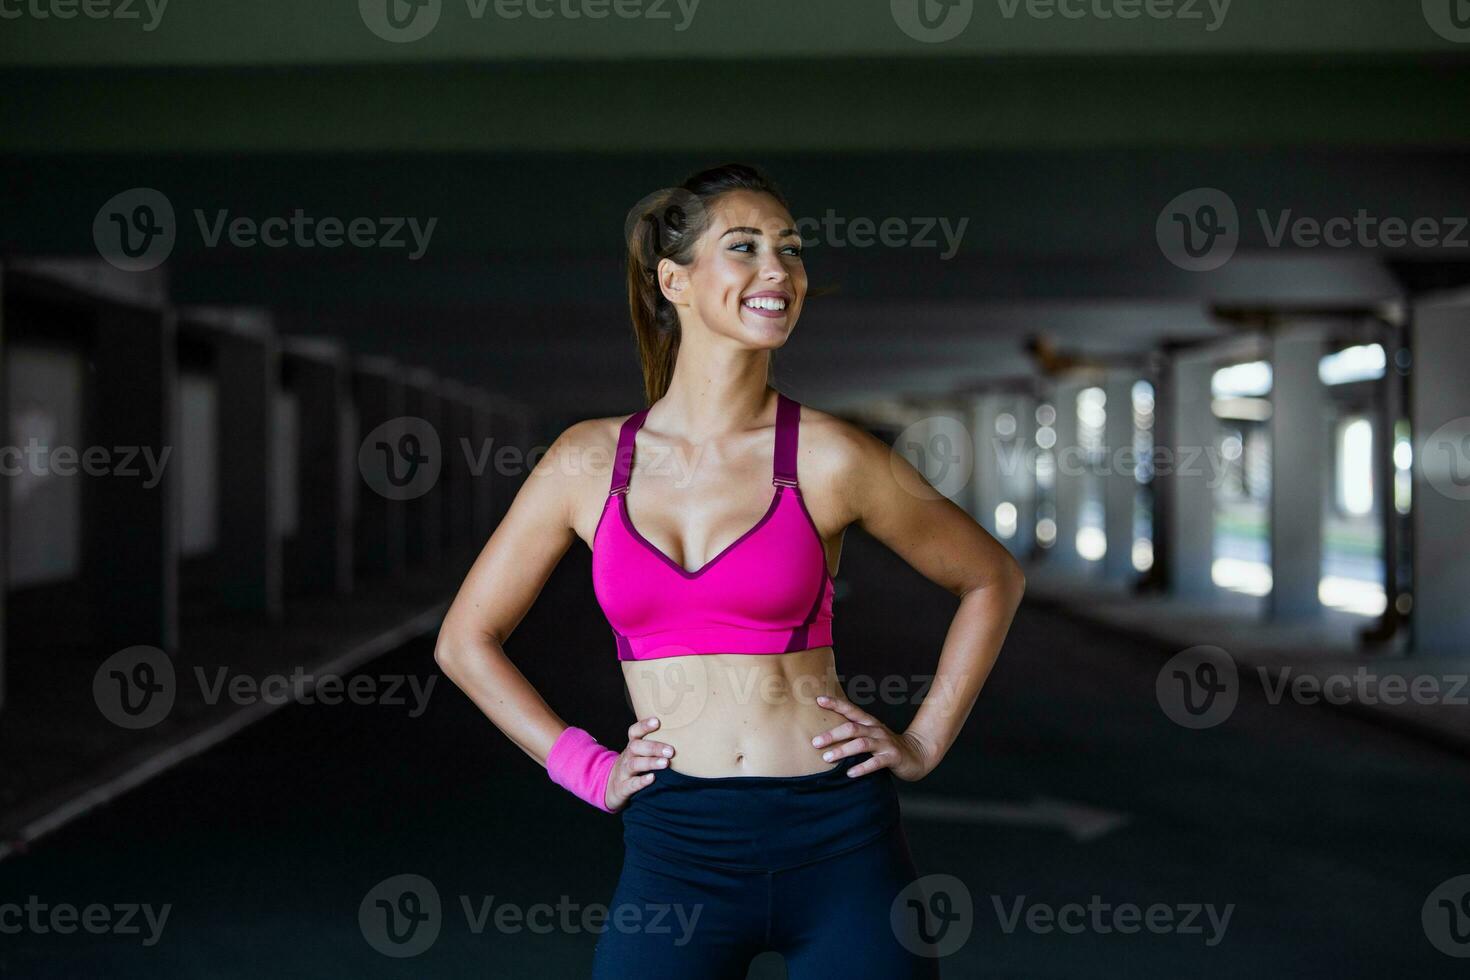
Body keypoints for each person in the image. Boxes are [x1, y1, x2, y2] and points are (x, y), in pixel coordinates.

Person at [434, 162, 1026, 978]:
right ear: (674, 280)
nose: (777, 270)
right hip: (676, 847)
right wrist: (588, 768)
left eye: (790, 249)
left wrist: (923, 741)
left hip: (841, 841)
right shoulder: (587, 460)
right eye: (743, 247)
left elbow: (991, 576)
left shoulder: (830, 455)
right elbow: (466, 641)